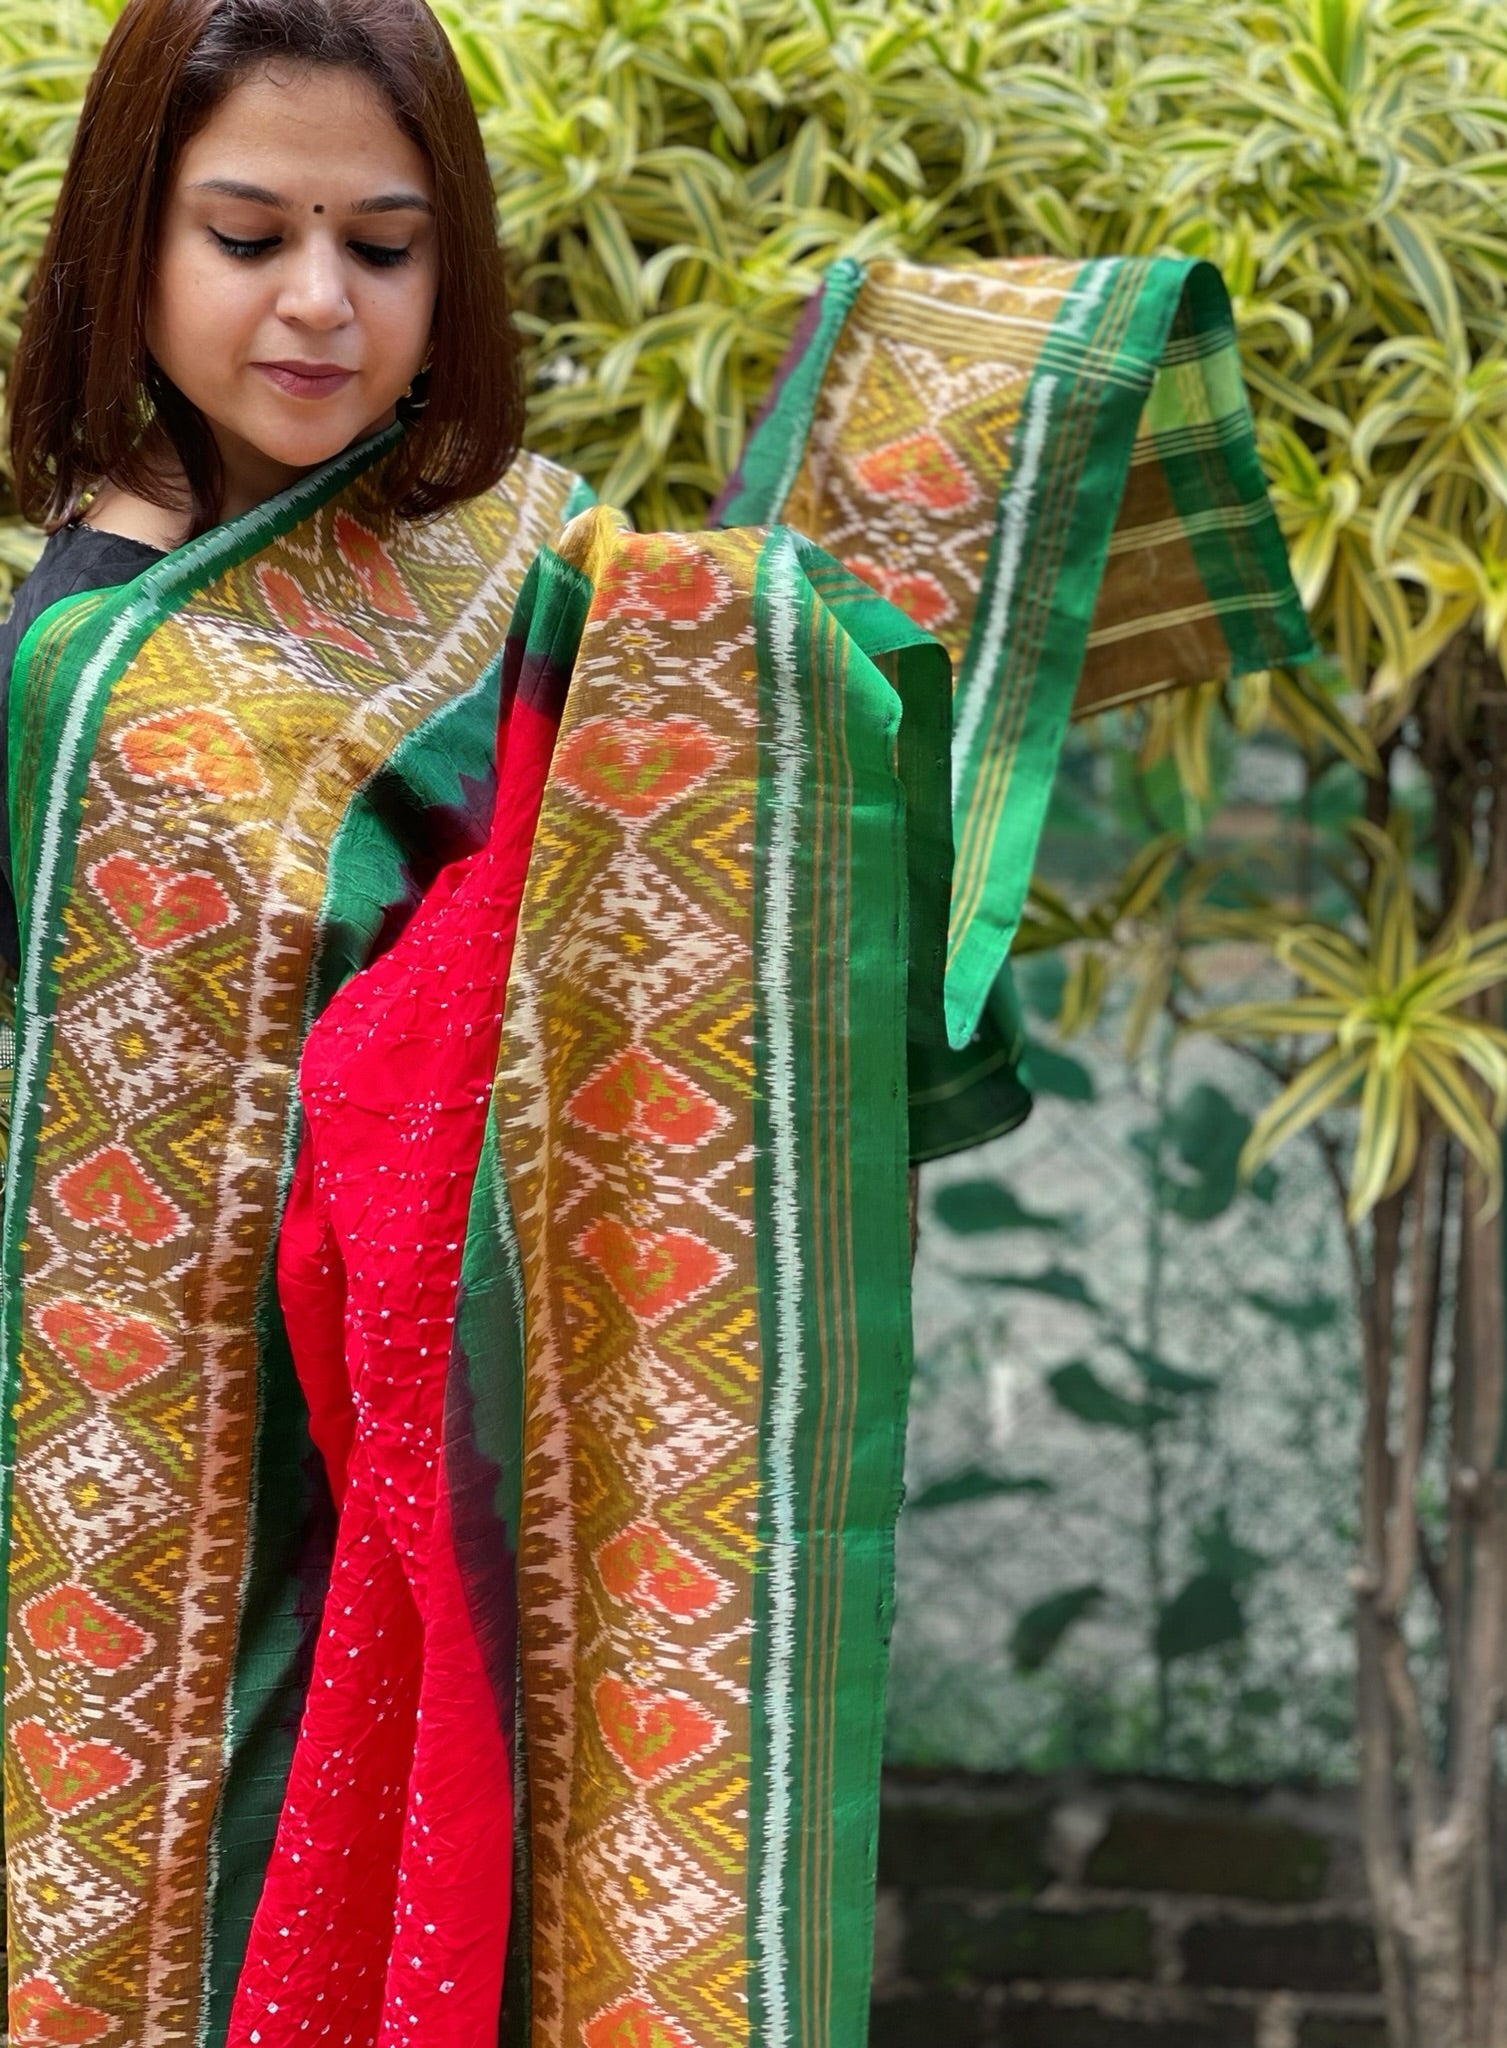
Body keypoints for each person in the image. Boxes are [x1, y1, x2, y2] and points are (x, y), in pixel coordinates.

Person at [0, 1, 582, 2039]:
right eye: (248, 237)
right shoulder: (84, 663)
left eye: (386, 243)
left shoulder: (537, 567)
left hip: (474, 1453)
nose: (321, 302)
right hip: (162, 1505)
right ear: (131, 243)